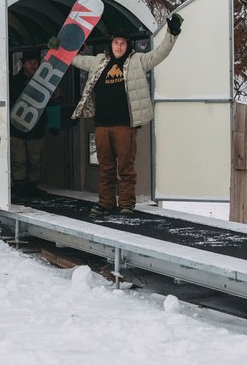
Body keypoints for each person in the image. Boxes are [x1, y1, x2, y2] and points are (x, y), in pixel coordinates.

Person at [70, 13, 184, 214]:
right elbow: (76, 60)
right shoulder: (99, 61)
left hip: (125, 125)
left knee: (125, 168)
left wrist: (172, 33)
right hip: (102, 124)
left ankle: (126, 204)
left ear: (128, 45)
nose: (119, 47)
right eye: (116, 43)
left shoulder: (138, 61)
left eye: (123, 43)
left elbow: (160, 53)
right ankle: (105, 203)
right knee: (105, 167)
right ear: (111, 44)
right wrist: (60, 48)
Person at [9, 49, 48, 198]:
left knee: (35, 160)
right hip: (16, 128)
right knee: (18, 160)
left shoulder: (44, 82)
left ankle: (32, 187)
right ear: (23, 64)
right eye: (29, 62)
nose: (33, 65)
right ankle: (20, 188)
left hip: (36, 127)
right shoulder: (13, 81)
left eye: (35, 62)